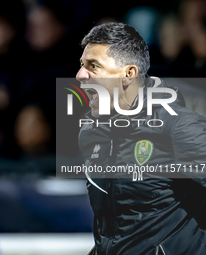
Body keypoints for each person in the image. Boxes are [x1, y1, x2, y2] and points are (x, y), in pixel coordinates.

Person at [76, 22, 206, 255]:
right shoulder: (90, 132)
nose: (80, 75)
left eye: (93, 66)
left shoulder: (179, 126)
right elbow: (112, 227)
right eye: (82, 65)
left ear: (129, 74)